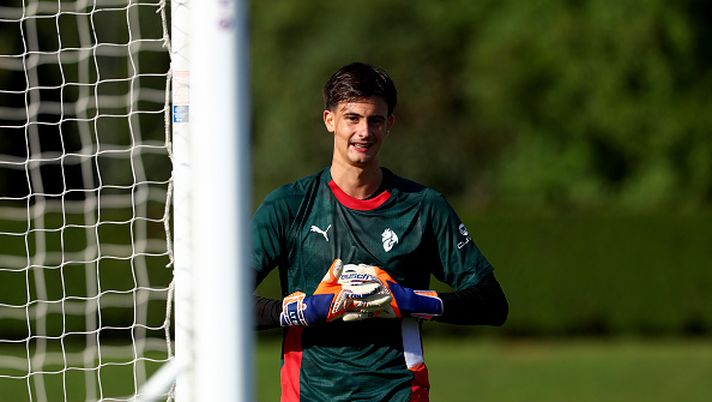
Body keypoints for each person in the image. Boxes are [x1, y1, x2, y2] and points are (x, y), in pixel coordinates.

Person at [253, 62, 508, 402]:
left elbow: (491, 303)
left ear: (389, 125)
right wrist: (296, 312)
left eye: (375, 120)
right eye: (352, 118)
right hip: (310, 395)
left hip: (400, 393)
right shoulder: (289, 204)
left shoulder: (423, 206)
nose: (364, 132)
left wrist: (410, 301)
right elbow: (218, 303)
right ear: (330, 121)